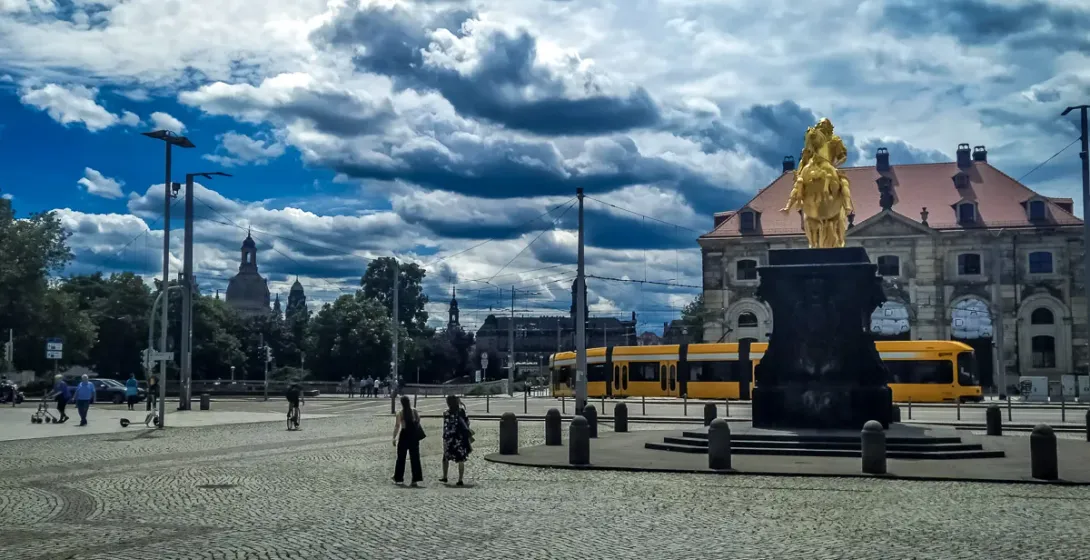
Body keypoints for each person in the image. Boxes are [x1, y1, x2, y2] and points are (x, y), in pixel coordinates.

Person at [391, 395, 423, 487]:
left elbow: (397, 426)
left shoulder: (400, 413)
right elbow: (418, 421)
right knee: (415, 457)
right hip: (413, 435)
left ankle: (398, 477)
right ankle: (415, 479)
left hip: (404, 435)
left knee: (401, 457)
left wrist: (394, 437)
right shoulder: (414, 411)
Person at [440, 395, 473, 485]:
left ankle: (445, 476)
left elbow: (445, 427)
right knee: (461, 458)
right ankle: (460, 479)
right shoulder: (461, 411)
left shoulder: (446, 413)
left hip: (449, 438)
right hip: (459, 437)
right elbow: (467, 422)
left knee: (445, 457)